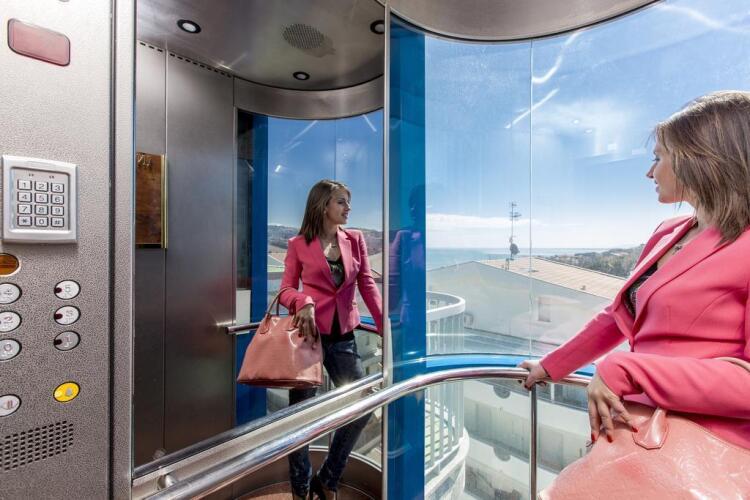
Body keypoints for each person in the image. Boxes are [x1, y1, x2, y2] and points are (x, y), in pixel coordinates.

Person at [520, 91, 750, 481]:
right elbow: (620, 315)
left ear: (699, 159)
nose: (649, 172)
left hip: (700, 450)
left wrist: (628, 368)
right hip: (637, 430)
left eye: (658, 158)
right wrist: (551, 366)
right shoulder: (669, 232)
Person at [279, 179, 383, 500]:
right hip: (308, 339)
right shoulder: (298, 244)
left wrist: (384, 325)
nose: (348, 207)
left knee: (363, 405)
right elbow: (285, 291)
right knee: (300, 418)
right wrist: (303, 301)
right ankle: (300, 488)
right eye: (341, 201)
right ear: (323, 205)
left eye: (348, 202)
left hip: (344, 337)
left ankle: (327, 479)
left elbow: (366, 283)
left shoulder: (355, 239)